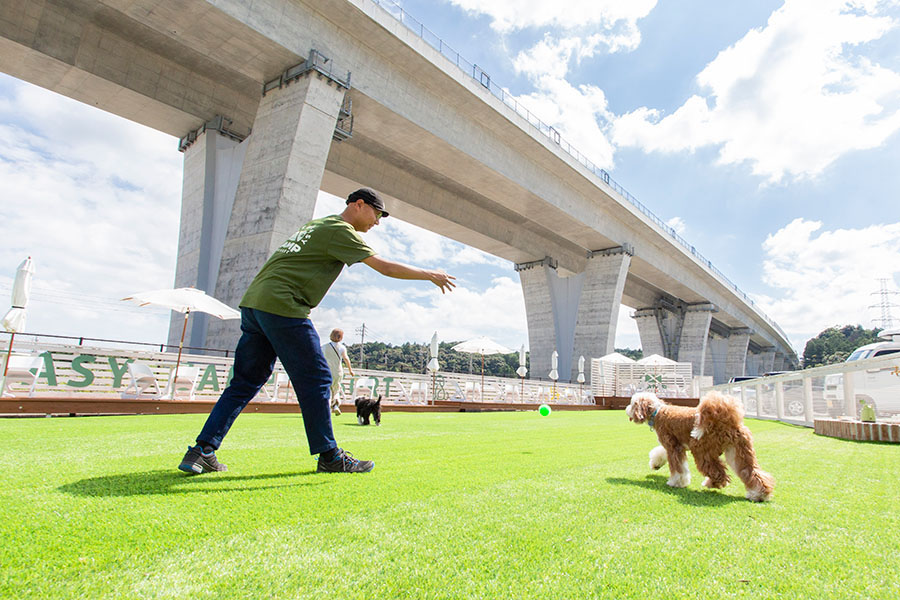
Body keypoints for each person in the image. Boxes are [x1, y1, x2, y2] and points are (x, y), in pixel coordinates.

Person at [178, 188, 455, 474]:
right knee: (319, 378)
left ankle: (202, 450)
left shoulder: (318, 225)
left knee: (244, 382)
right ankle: (330, 456)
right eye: (377, 214)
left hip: (254, 305)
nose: (377, 222)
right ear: (359, 205)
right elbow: (384, 267)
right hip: (283, 305)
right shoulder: (341, 230)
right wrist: (429, 274)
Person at [322, 328, 353, 416]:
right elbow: (346, 359)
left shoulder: (324, 347)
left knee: (327, 390)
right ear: (341, 337)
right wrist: (350, 370)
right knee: (336, 390)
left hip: (326, 371)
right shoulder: (342, 348)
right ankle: (335, 405)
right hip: (338, 372)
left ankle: (327, 407)